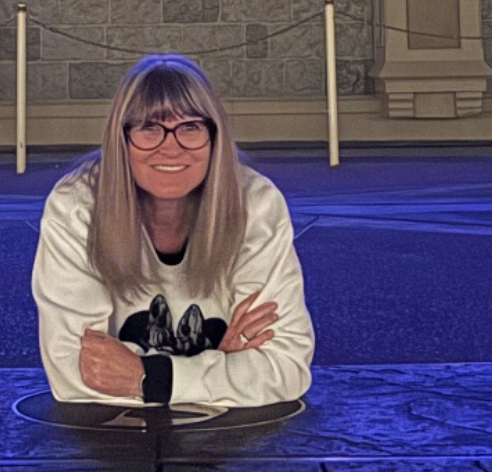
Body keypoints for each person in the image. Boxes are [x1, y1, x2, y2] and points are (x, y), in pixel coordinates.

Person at [31, 54, 314, 411]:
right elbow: (73, 376)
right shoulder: (76, 206)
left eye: (190, 127)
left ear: (214, 137)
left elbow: (286, 368)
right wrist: (219, 365)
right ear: (123, 139)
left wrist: (148, 378)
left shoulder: (255, 203)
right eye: (150, 127)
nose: (171, 145)